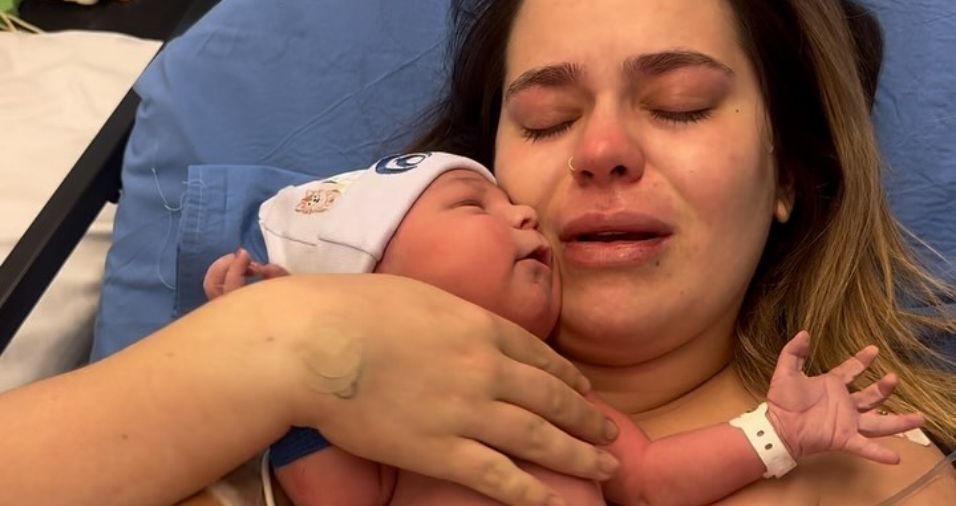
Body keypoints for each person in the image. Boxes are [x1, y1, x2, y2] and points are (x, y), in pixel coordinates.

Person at [2, 1, 954, 505]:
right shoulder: (266, 412)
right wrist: (281, 347)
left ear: (791, 173)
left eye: (681, 106)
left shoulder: (872, 468)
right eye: (545, 118)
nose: (602, 149)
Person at [203, 151, 922, 505]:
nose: (523, 212)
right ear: (371, 281)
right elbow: (337, 499)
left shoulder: (555, 390)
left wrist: (775, 434)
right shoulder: (375, 413)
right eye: (473, 207)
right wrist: (284, 355)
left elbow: (648, 479)